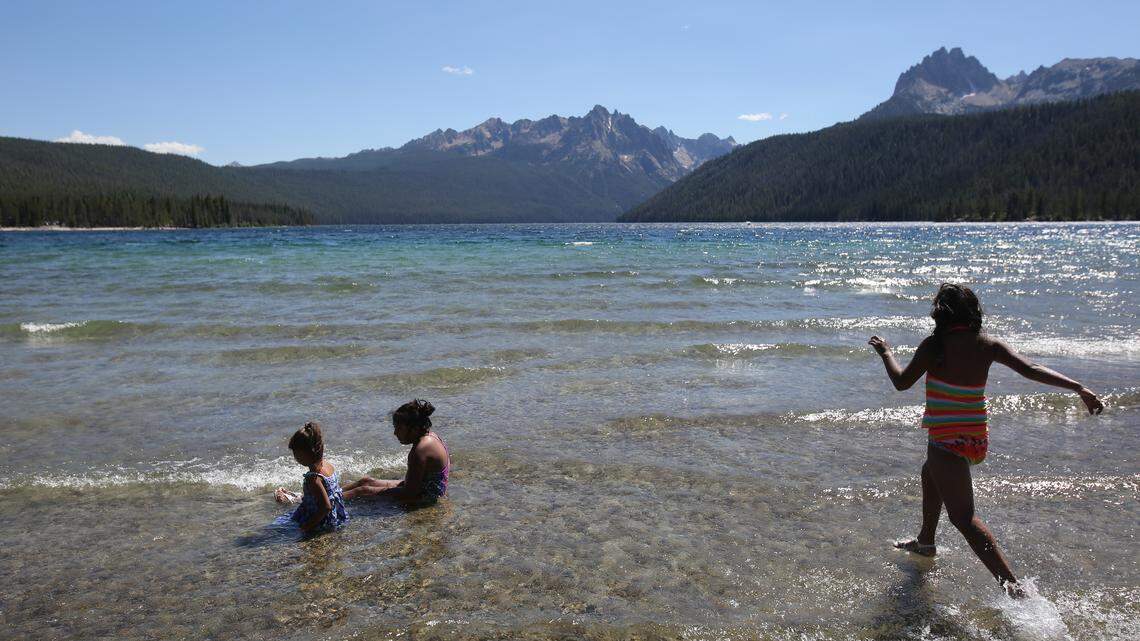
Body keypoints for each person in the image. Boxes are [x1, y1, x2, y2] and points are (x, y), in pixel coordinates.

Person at [868, 283, 1103, 596]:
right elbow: (1031, 369)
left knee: (963, 518)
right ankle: (925, 541)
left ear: (940, 314)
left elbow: (901, 382)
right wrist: (1078, 388)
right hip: (975, 440)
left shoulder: (934, 346)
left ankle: (1013, 588)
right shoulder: (988, 344)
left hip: (946, 441)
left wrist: (886, 353)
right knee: (930, 473)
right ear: (973, 313)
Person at [342, 399, 450, 504]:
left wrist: (371, 493)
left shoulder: (420, 451)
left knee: (361, 491)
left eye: (399, 428)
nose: (395, 433)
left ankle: (332, 501)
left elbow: (409, 493)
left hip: (424, 496)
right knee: (365, 481)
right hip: (418, 487)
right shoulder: (431, 436)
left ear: (414, 429)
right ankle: (332, 493)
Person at [274, 421, 349, 533]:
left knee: (277, 527)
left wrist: (306, 527)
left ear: (307, 453)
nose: (295, 457)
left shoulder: (313, 479)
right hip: (337, 514)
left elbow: (326, 507)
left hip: (324, 519)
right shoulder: (327, 465)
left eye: (296, 454)